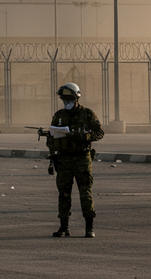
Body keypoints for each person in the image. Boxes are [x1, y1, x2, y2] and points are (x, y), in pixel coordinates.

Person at [46, 82, 103, 238]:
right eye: (64, 100)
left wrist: (84, 136)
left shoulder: (87, 114)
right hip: (64, 159)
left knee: (85, 193)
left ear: (76, 98)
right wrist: (51, 140)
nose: (67, 102)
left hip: (82, 159)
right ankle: (64, 227)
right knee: (63, 194)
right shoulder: (59, 116)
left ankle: (89, 228)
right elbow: (52, 135)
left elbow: (99, 132)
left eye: (69, 99)